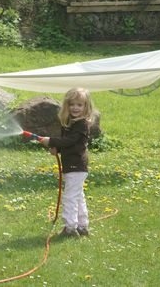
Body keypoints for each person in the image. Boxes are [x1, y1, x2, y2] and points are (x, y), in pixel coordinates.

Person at [40, 88, 94, 237]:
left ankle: (70, 228)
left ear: (86, 107)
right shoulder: (70, 123)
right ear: (67, 105)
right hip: (74, 166)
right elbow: (70, 145)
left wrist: (50, 141)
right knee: (78, 196)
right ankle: (83, 226)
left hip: (76, 167)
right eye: (72, 104)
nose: (75, 108)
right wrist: (56, 148)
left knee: (70, 197)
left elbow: (70, 141)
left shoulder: (81, 124)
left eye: (79, 105)